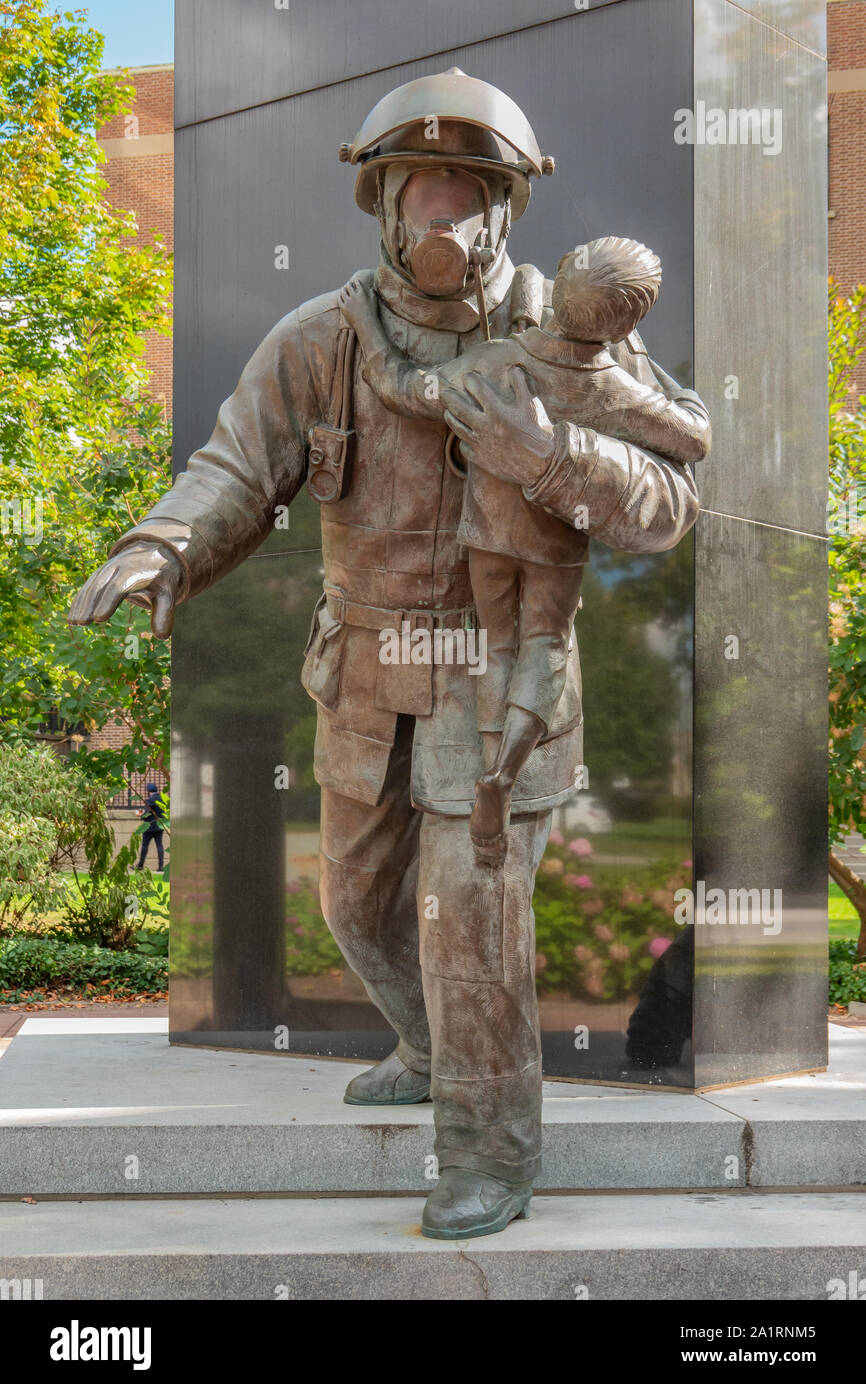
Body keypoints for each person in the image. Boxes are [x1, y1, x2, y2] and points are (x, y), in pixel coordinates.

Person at [68, 69, 704, 1240]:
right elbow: (232, 471)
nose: (442, 219)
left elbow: (669, 499)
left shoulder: (566, 340)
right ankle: (426, 1042)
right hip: (365, 670)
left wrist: (550, 451)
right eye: (422, 192)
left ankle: (487, 1148)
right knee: (354, 902)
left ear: (507, 208)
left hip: (502, 670)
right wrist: (163, 549)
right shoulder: (318, 339)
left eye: (467, 194)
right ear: (381, 203)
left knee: (469, 914)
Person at [337, 236, 710, 859]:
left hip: (487, 538)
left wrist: (363, 321)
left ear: (560, 279)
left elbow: (398, 384)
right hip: (554, 547)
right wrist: (648, 369)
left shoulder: (490, 362)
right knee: (545, 646)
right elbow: (694, 435)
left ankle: (486, 754)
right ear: (624, 323)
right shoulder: (613, 390)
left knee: (498, 646)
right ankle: (503, 776)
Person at [137, 783, 166, 872]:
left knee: (145, 846)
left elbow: (146, 814)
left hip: (149, 827)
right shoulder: (161, 799)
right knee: (159, 845)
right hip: (159, 826)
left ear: (148, 791)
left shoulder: (150, 800)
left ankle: (140, 866)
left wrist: (140, 815)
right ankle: (161, 866)